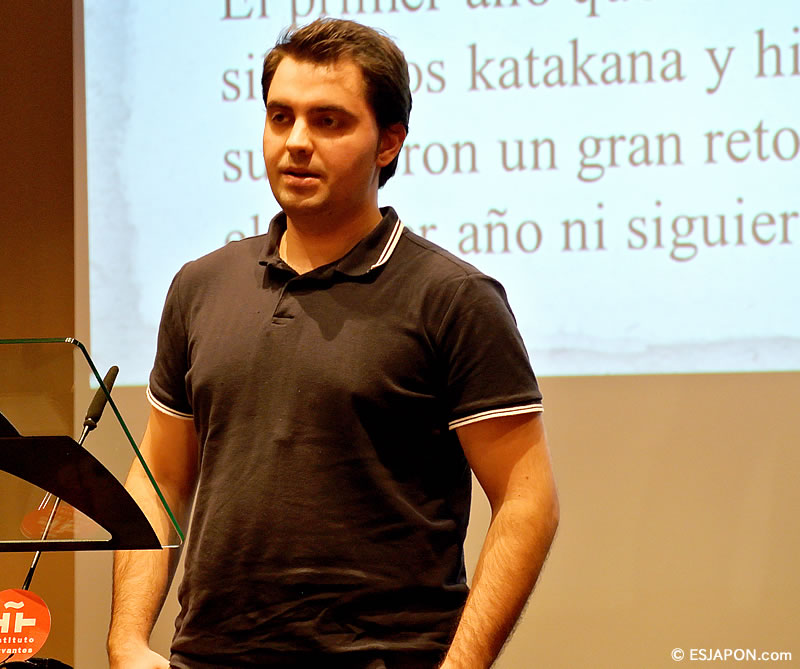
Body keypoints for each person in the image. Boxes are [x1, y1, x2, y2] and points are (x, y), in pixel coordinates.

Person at [109, 18, 559, 669]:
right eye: (280, 117)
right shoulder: (200, 286)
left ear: (388, 142)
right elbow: (159, 475)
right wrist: (126, 638)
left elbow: (527, 500)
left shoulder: (454, 297)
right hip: (208, 656)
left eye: (328, 121)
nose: (296, 142)